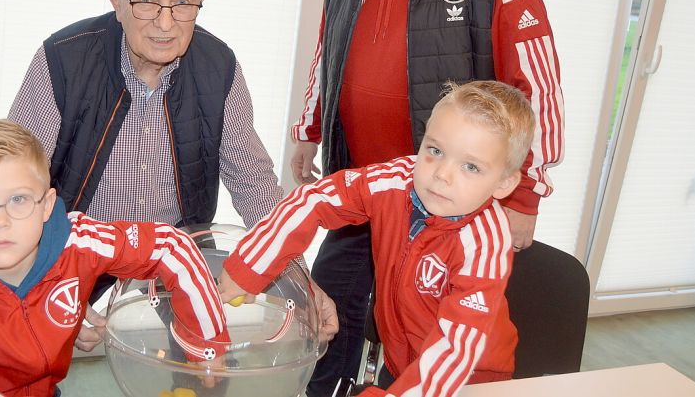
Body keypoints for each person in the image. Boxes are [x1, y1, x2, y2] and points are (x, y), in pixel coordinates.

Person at [289, 0, 563, 392]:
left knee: (430, 348)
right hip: (363, 192)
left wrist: (525, 194)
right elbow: (328, 52)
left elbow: (539, 82)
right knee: (323, 331)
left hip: (444, 206)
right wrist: (308, 131)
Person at [8, 0, 337, 352]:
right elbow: (14, 188)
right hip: (73, 254)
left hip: (175, 258)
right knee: (34, 365)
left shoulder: (219, 68)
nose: (165, 23)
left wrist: (301, 282)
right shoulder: (62, 60)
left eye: (182, 3)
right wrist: (40, 283)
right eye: (146, 2)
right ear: (116, 0)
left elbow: (255, 187)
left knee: (207, 374)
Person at [222, 80, 536, 397]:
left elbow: (455, 351)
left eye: (470, 166)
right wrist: (250, 267)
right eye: (435, 150)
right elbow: (314, 201)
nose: (442, 174)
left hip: (469, 379)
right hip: (400, 362)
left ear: (504, 184)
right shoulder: (395, 180)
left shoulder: (485, 244)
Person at [0, 119, 230, 396]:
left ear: (47, 205)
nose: (1, 221)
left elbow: (171, 246)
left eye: (19, 200)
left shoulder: (77, 241)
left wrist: (206, 346)